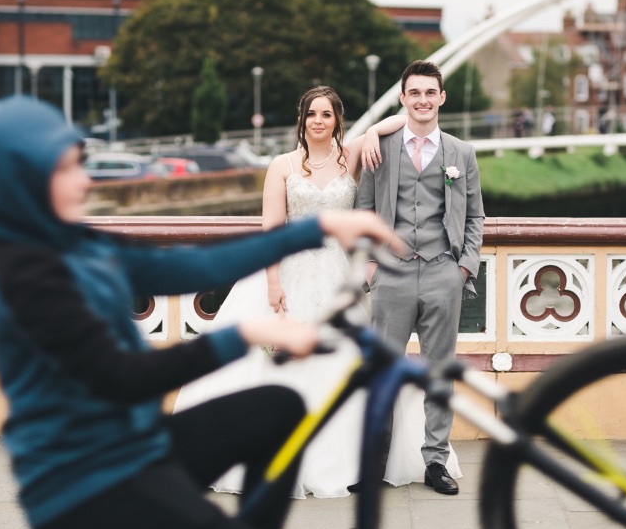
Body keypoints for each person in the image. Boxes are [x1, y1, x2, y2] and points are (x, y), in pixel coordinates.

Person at [0, 95, 400, 529]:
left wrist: (318, 226)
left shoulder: (77, 244)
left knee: (281, 407)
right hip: (89, 489)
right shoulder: (29, 276)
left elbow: (193, 269)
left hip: (134, 453)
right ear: (20, 180)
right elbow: (120, 377)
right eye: (65, 167)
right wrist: (244, 333)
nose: (84, 178)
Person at [174, 86, 461, 497]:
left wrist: (374, 133)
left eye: (327, 115)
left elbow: (402, 119)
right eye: (312, 114)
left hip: (339, 274)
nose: (318, 122)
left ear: (337, 121)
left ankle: (347, 461)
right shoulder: (283, 165)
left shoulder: (351, 157)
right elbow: (271, 228)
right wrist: (273, 282)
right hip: (289, 270)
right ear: (302, 119)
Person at [357, 60, 485, 496]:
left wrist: (463, 267)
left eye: (431, 92)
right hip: (390, 275)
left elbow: (474, 216)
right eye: (415, 93)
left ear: (441, 98)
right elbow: (364, 209)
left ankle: (436, 462)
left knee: (439, 372)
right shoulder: (382, 147)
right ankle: (374, 464)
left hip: (441, 273)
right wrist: (372, 265)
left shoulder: (461, 153)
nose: (423, 100)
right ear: (403, 98)